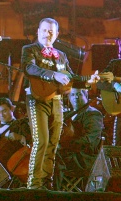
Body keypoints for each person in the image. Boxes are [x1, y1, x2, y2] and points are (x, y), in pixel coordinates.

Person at [21, 17, 102, 189]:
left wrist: (89, 80)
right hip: (37, 100)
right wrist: (53, 75)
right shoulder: (29, 49)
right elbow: (29, 68)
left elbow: (71, 79)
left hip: (57, 101)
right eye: (44, 30)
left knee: (53, 143)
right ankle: (33, 184)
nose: (47, 34)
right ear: (38, 31)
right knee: (41, 141)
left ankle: (47, 183)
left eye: (51, 31)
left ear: (57, 34)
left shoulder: (62, 56)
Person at [55, 85, 104, 191]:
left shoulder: (93, 114)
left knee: (53, 158)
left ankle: (53, 192)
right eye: (72, 95)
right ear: (69, 98)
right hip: (68, 155)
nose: (76, 97)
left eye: (79, 94)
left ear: (86, 96)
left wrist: (63, 146)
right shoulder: (69, 114)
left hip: (83, 157)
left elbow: (88, 140)